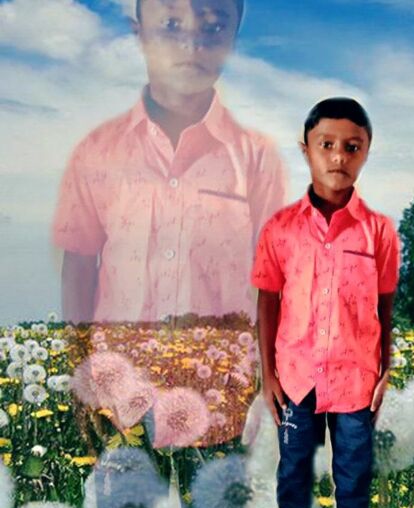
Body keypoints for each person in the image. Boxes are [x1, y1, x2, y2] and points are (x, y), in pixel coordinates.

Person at [52, 0, 287, 327]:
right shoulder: (96, 152)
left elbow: (273, 276)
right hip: (118, 357)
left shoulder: (258, 158)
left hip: (221, 357)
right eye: (171, 25)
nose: (191, 43)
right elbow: (79, 264)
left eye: (213, 27)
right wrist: (78, 354)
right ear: (140, 33)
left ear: (233, 39)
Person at [251, 97, 400, 508]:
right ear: (306, 150)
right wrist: (268, 375)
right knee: (293, 477)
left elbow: (386, 305)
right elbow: (267, 301)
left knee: (354, 479)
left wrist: (386, 367)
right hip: (295, 378)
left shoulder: (379, 231)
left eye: (352, 147)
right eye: (327, 145)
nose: (339, 157)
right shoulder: (280, 229)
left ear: (367, 152)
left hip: (357, 379)